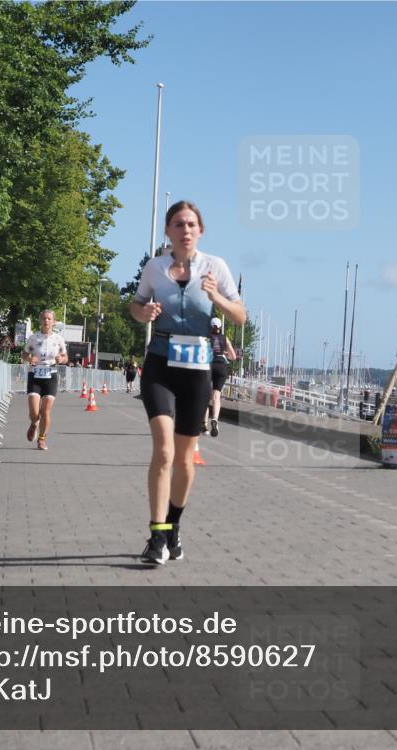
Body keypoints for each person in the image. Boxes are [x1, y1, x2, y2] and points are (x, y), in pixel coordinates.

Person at [130, 201, 245, 565]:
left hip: (197, 370)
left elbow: (240, 316)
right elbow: (135, 305)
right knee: (163, 452)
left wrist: (216, 298)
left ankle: (174, 526)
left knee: (184, 459)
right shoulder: (155, 267)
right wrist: (143, 312)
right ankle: (156, 536)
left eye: (192, 224)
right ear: (168, 231)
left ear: (201, 231)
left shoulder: (216, 267)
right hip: (160, 363)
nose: (186, 230)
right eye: (179, 224)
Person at [22, 310, 68, 450]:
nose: (46, 321)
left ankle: (42, 439)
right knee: (35, 413)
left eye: (49, 319)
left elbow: (65, 358)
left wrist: (61, 359)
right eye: (44, 318)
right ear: (40, 320)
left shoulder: (59, 339)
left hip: (51, 375)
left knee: (45, 411)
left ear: (54, 322)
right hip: (35, 376)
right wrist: (30, 358)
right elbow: (24, 355)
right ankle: (34, 423)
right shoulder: (33, 338)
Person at [203, 317, 236, 437]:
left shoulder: (206, 338)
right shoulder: (225, 338)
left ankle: (204, 424)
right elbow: (233, 356)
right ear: (220, 327)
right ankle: (215, 419)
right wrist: (224, 353)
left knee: (205, 395)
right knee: (216, 396)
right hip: (221, 366)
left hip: (208, 365)